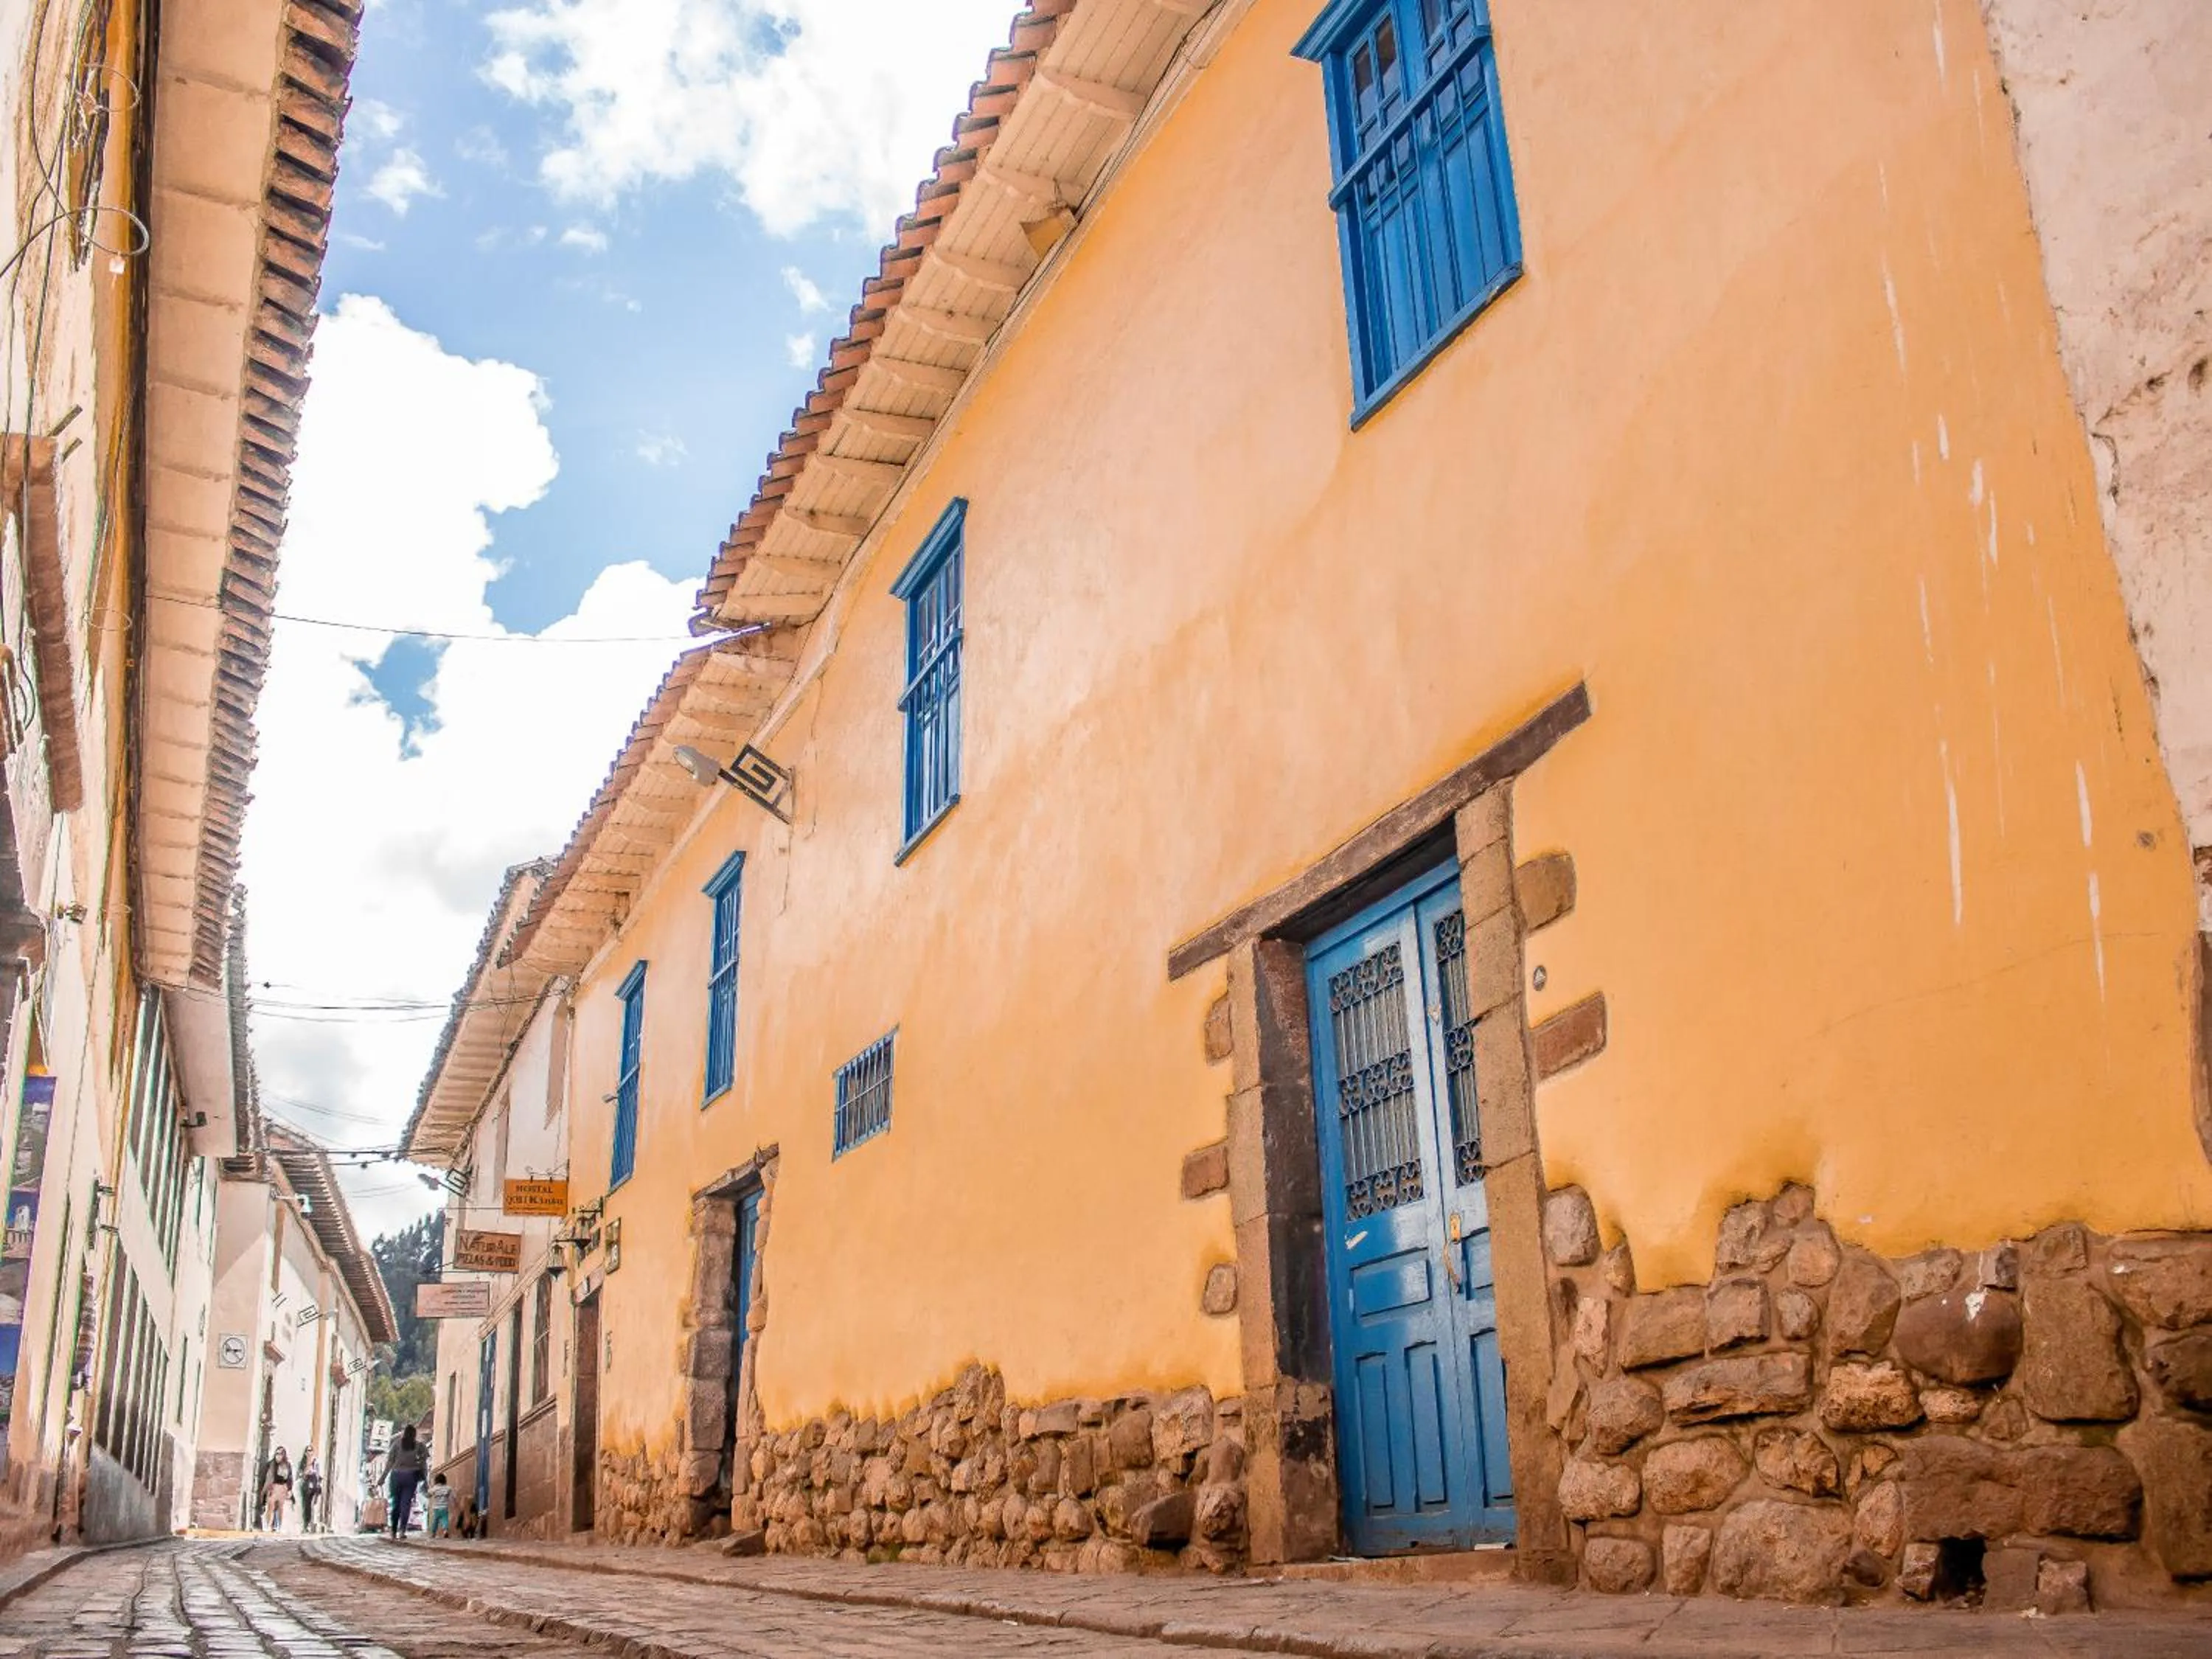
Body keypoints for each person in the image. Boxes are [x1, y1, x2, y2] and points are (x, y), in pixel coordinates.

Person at [385, 1425, 427, 1540]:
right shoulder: (420, 1446)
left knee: (396, 1504)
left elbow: (390, 1462)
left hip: (397, 1475)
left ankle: (393, 1531)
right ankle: (402, 1530)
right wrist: (425, 1478)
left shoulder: (397, 1444)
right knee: (406, 1504)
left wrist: (383, 1477)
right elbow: (423, 1463)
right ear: (414, 1434)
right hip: (411, 1477)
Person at [261, 1446, 294, 1534]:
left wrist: (289, 1489)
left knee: (280, 1508)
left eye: (281, 1454)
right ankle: (268, 1525)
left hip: (283, 1487)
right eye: (277, 1453)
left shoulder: (287, 1465)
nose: (279, 1456)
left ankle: (278, 1526)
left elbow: (290, 1477)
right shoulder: (271, 1464)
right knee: (270, 1506)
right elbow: (266, 1477)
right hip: (273, 1487)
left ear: (284, 1455)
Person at [298, 1448, 324, 1534]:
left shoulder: (315, 1463)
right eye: (308, 1451)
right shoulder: (303, 1463)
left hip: (314, 1486)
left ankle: (311, 1524)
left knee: (313, 1506)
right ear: (305, 1453)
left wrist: (317, 1478)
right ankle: (306, 1525)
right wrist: (305, 1473)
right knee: (306, 1505)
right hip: (305, 1486)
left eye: (311, 1450)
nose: (309, 1452)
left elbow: (318, 1474)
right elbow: (299, 1474)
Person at [426, 1472, 453, 1539]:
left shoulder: (434, 1488)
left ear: (436, 1481)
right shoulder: (448, 1488)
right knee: (445, 1520)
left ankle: (433, 1534)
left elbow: (428, 1495)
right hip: (445, 1507)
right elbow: (452, 1497)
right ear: (445, 1480)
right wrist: (454, 1503)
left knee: (435, 1521)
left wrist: (429, 1490)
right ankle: (445, 1530)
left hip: (436, 1508)